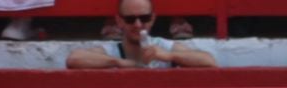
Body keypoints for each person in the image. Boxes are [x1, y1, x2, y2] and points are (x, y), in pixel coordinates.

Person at [66, 0, 216, 68]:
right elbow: (74, 59)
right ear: (119, 21)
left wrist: (171, 56)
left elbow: (209, 61)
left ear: (153, 19)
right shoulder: (112, 51)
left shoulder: (163, 47)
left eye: (144, 18)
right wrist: (118, 62)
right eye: (130, 19)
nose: (138, 25)